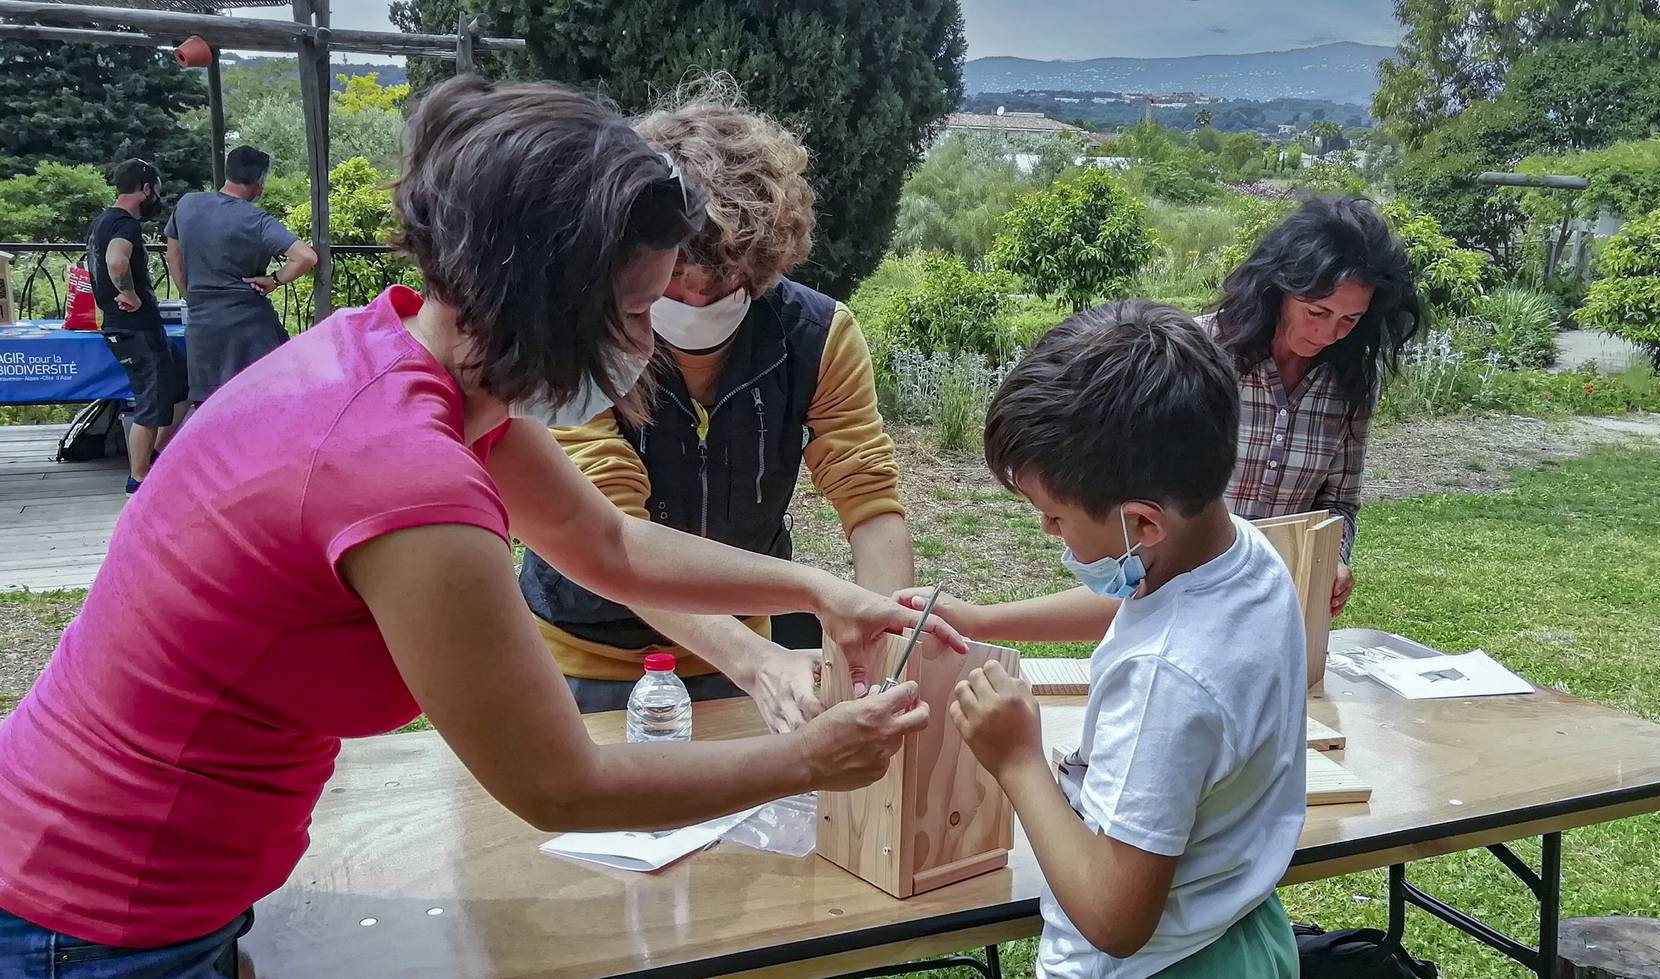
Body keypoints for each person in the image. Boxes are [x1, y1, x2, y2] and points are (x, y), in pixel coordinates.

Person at [0, 76, 959, 978]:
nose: (647, 341)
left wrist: (818, 590)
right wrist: (806, 761)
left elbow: (612, 547)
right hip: (93, 906)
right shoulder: (402, 473)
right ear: (548, 298)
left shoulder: (410, 357)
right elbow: (562, 787)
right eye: (634, 309)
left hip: (143, 878)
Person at [520, 88, 915, 729]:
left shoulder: (816, 336)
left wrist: (888, 634)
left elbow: (868, 497)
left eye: (726, 283)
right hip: (582, 661)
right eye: (674, 280)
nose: (697, 303)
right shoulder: (581, 339)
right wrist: (756, 659)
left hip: (744, 654)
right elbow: (611, 532)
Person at [948, 300, 1305, 979]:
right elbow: (1131, 602)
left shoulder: (1166, 681)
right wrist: (981, 620)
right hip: (1236, 932)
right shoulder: (1238, 553)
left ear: (1142, 525)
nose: (1049, 533)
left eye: (1053, 517)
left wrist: (1018, 759)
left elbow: (1116, 918)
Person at [899, 196, 1425, 642]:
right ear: (1279, 289)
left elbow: (1338, 501)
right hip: (1191, 599)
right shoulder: (1189, 359)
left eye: (1349, 320)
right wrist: (978, 621)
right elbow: (1143, 576)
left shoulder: (1350, 383)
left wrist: (1332, 557)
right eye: (1317, 312)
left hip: (1268, 611)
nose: (1330, 333)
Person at [165, 145, 318, 404]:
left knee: (209, 405)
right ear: (260, 180)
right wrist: (274, 280)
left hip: (203, 325)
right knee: (263, 399)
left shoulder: (188, 205)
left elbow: (172, 256)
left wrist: (191, 296)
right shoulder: (256, 220)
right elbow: (306, 257)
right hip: (249, 329)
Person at [84, 158, 187, 493]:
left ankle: (157, 457)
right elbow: (116, 260)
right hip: (134, 327)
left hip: (133, 327)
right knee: (151, 399)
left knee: (183, 382)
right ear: (145, 190)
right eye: (155, 190)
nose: (157, 197)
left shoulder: (101, 221)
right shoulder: (125, 225)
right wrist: (127, 291)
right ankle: (139, 480)